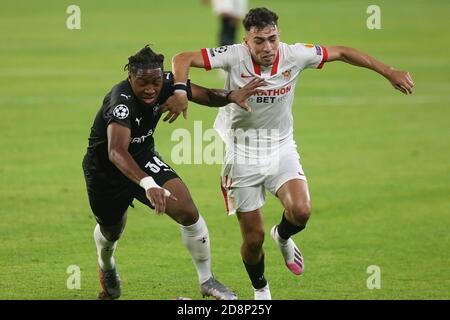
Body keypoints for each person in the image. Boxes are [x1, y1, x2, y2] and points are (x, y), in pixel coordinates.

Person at [170, 7, 414, 300]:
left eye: (272, 39)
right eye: (259, 40)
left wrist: (388, 72)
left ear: (279, 36)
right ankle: (262, 290)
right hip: (242, 154)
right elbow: (182, 59)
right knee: (252, 239)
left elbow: (342, 52)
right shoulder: (233, 55)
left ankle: (283, 236)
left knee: (301, 211)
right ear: (247, 40)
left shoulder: (295, 55)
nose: (268, 47)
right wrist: (181, 91)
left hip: (281, 147)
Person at [82, 45, 263, 300]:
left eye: (155, 82)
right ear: (130, 78)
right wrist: (148, 184)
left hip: (144, 158)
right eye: (142, 83)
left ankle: (207, 280)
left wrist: (232, 96)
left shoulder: (168, 82)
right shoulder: (120, 100)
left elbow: (207, 95)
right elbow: (116, 151)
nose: (150, 89)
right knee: (112, 230)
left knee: (187, 211)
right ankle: (107, 265)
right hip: (105, 171)